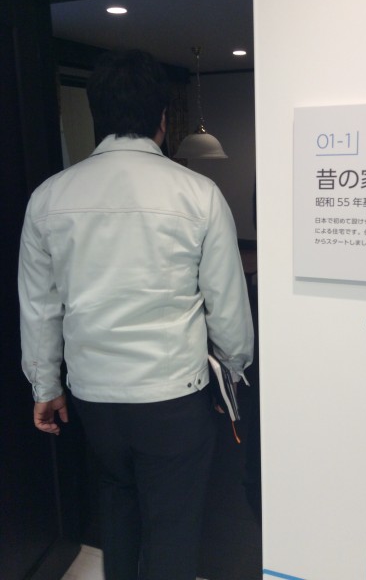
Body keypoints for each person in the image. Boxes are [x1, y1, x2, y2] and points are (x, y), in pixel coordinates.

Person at [18, 49, 254, 580]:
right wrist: (234, 372)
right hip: (174, 393)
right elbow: (227, 304)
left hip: (94, 396)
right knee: (174, 524)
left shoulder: (48, 198)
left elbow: (39, 306)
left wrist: (45, 386)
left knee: (116, 506)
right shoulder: (198, 194)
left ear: (97, 113)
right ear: (163, 118)